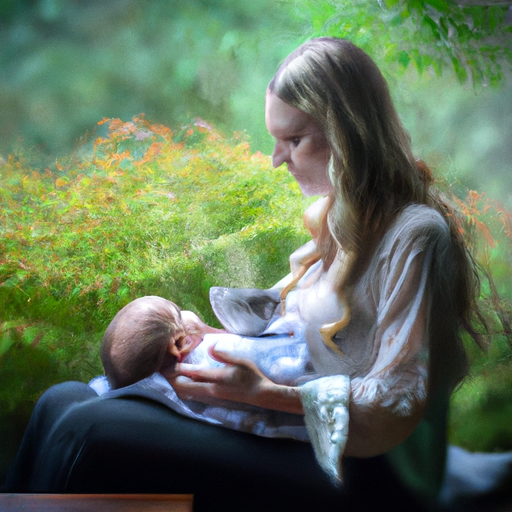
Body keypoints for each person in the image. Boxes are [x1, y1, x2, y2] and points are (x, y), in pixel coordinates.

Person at [4, 37, 509, 511]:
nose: (275, 161)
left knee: (93, 430)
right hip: (293, 427)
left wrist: (259, 392)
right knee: (59, 401)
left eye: (293, 139)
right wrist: (212, 340)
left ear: (349, 134)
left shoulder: (414, 233)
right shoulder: (337, 221)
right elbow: (300, 340)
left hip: (369, 467)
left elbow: (397, 398)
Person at [92, 294, 315, 440]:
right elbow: (296, 355)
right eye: (178, 313)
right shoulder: (217, 354)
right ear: (181, 343)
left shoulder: (168, 404)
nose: (188, 314)